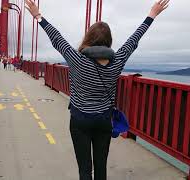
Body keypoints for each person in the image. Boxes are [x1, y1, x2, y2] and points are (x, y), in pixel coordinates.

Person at [25, 0, 169, 180]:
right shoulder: (118, 60)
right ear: (108, 41)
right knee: (101, 168)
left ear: (89, 38)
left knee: (85, 169)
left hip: (80, 120)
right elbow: (134, 39)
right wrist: (152, 15)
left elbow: (56, 38)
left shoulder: (76, 59)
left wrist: (38, 16)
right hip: (103, 120)